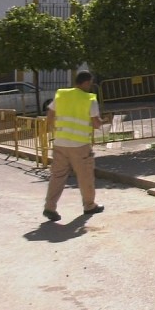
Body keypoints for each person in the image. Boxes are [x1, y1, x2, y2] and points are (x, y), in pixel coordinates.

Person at [43, 71, 106, 221]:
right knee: (85, 176)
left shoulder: (61, 95)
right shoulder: (89, 99)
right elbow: (96, 124)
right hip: (80, 145)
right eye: (90, 83)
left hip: (60, 143)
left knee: (57, 176)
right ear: (86, 82)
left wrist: (57, 131)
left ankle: (49, 207)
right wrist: (105, 121)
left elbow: (50, 117)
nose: (90, 86)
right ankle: (89, 205)